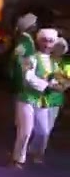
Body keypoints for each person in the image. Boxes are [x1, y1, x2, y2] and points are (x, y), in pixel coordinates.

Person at [10, 27, 61, 167]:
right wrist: (46, 85)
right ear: (39, 41)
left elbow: (55, 78)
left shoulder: (54, 62)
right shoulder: (31, 58)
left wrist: (58, 85)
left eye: (50, 41)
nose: (47, 44)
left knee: (44, 131)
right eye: (44, 40)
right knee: (25, 131)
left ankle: (34, 151)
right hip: (26, 99)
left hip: (42, 101)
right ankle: (18, 159)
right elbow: (28, 77)